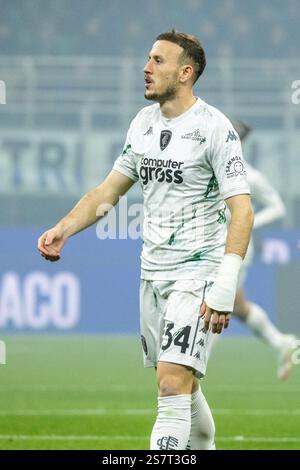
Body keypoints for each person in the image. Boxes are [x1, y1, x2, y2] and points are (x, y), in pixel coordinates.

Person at [38, 31, 254, 450]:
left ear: (186, 72)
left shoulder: (214, 128)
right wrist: (63, 227)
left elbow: (242, 211)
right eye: (148, 58)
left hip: (200, 272)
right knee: (184, 388)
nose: (146, 67)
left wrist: (225, 286)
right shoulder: (143, 124)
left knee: (171, 385)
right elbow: (108, 192)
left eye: (158, 60)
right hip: (153, 273)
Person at [231, 121, 297, 380]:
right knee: (236, 306)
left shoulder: (250, 176)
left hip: (236, 246)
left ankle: (192, 371)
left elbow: (278, 207)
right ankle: (282, 342)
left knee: (220, 305)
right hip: (210, 245)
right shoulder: (211, 169)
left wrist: (249, 221)